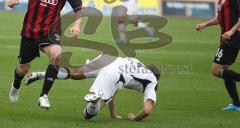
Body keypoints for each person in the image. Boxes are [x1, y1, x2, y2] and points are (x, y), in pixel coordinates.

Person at [7, 0, 83, 109]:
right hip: (30, 31)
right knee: (23, 69)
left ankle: (44, 95)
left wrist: (77, 25)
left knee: (56, 55)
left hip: (50, 30)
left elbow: (78, 9)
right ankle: (16, 85)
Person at [24, 54, 160, 121]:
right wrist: (134, 118)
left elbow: (115, 90)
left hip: (108, 59)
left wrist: (113, 115)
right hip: (115, 74)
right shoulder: (152, 81)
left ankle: (41, 74)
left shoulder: (136, 62)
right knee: (87, 114)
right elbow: (147, 110)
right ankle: (95, 100)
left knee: (75, 73)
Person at [196, 0, 240, 111]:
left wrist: (231, 31)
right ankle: (236, 104)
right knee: (225, 69)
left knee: (216, 70)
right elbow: (219, 18)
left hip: (234, 36)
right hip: (227, 37)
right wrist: (205, 24)